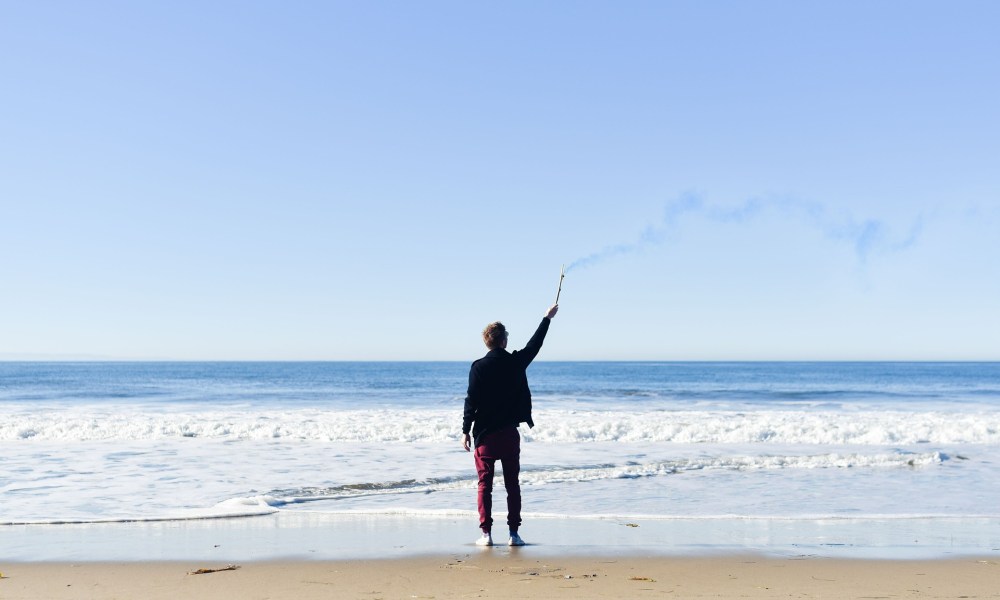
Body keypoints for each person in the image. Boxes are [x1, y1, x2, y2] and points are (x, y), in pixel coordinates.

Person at [462, 303, 559, 547]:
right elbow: (534, 345)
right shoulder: (516, 363)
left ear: (487, 342)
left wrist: (465, 430)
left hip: (484, 436)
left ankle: (486, 534)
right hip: (508, 435)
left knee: (485, 485)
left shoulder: (478, 367)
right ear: (504, 341)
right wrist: (546, 319)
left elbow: (470, 401)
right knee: (512, 485)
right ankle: (514, 535)